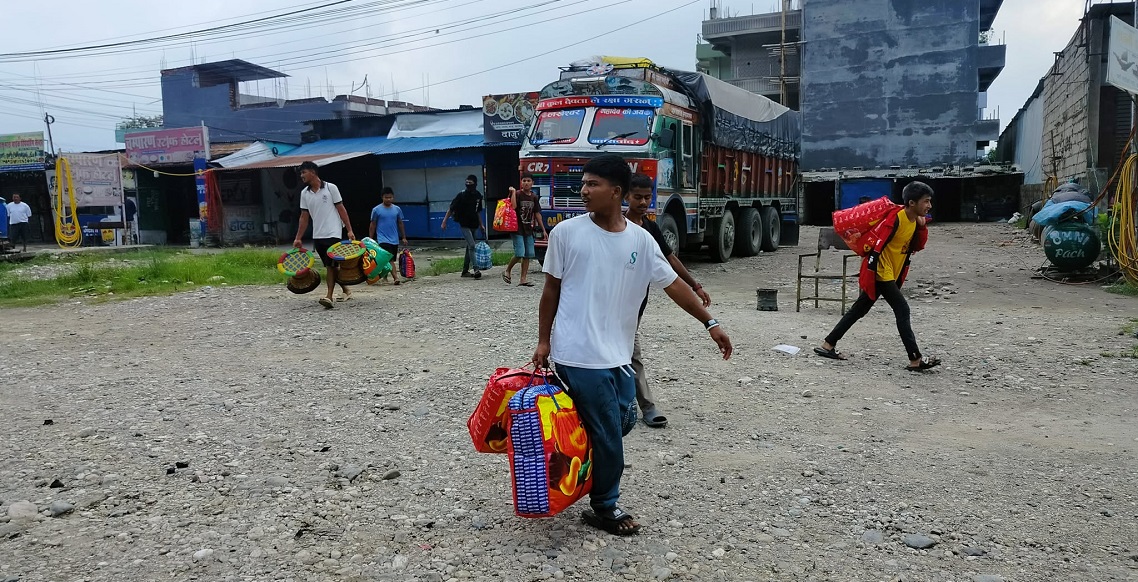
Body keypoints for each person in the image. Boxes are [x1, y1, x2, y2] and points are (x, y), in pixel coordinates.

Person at [531, 154, 733, 536]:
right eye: (585, 183)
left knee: (621, 421)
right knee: (609, 431)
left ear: (616, 192)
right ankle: (605, 506)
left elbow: (673, 284)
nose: (584, 190)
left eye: (593, 184)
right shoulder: (566, 234)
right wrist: (544, 341)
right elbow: (551, 290)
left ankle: (578, 466)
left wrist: (711, 321)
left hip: (619, 352)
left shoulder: (641, 239)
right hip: (577, 351)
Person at [813, 181, 941, 371]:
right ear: (912, 203)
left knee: (859, 309)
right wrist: (872, 271)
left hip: (892, 272)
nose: (929, 206)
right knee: (902, 310)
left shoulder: (914, 222)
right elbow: (877, 243)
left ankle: (828, 344)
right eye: (926, 201)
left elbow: (918, 246)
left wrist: (922, 227)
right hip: (881, 272)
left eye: (930, 202)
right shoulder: (896, 218)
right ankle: (915, 359)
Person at [624, 174, 711, 428]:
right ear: (625, 196)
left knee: (630, 354)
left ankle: (640, 406)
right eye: (637, 197)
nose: (642, 202)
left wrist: (695, 285)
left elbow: (670, 261)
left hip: (635, 307)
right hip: (608, 305)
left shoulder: (650, 228)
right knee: (626, 355)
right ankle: (641, 406)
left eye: (646, 197)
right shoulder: (617, 226)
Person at [292, 161, 356, 309]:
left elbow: (341, 209)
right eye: (301, 173)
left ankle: (329, 296)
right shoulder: (304, 193)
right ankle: (346, 290)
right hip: (318, 235)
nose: (301, 175)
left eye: (304, 172)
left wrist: (349, 229)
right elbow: (304, 217)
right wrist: (298, 237)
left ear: (313, 172)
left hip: (333, 232)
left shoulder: (330, 188)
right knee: (331, 266)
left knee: (330, 266)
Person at [502, 172, 547, 287]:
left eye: (528, 181)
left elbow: (537, 214)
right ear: (521, 182)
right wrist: (512, 192)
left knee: (529, 254)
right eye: (524, 181)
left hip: (528, 229)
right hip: (517, 228)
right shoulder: (517, 194)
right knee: (519, 253)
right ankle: (507, 270)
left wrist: (543, 230)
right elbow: (513, 206)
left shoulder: (534, 197)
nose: (526, 183)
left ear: (533, 183)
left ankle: (523, 279)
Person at [441, 174, 485, 279]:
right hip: (464, 224)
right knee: (472, 246)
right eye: (467, 182)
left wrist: (481, 224)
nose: (468, 184)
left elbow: (478, 211)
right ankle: (476, 269)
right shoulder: (461, 195)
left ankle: (465, 271)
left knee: (469, 248)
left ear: (475, 183)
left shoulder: (478, 195)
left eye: (470, 182)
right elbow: (451, 209)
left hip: (474, 224)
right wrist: (444, 221)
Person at [369, 187, 408, 285]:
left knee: (388, 259)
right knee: (389, 259)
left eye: (390, 197)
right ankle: (395, 278)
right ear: (382, 197)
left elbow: (400, 223)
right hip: (382, 239)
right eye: (386, 197)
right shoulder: (376, 210)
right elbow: (373, 224)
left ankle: (384, 277)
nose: (388, 199)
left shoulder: (397, 209)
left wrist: (403, 237)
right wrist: (371, 238)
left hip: (394, 239)